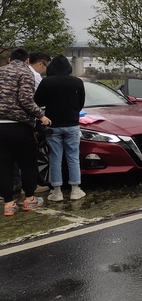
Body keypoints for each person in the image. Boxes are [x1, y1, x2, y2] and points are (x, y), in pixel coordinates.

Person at [1, 48, 51, 216]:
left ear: (9, 60)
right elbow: (25, 99)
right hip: (19, 126)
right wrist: (41, 116)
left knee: (4, 166)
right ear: (27, 60)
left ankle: (9, 204)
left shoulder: (0, 71)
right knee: (28, 163)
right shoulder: (26, 73)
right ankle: (29, 199)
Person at [34, 54, 86, 202]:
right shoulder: (77, 82)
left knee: (54, 158)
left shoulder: (46, 82)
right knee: (73, 157)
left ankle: (57, 192)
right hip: (72, 124)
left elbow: (37, 101)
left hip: (53, 125)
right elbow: (81, 103)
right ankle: (75, 190)